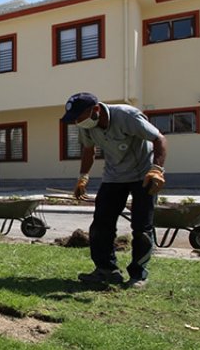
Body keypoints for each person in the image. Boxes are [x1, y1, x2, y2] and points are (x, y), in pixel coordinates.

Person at [61, 92, 168, 289]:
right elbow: (88, 150)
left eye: (79, 117)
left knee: (141, 227)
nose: (77, 122)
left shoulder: (127, 116)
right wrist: (82, 177)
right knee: (101, 224)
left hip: (143, 175)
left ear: (96, 110)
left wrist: (157, 170)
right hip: (114, 176)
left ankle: (138, 275)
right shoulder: (87, 126)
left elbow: (159, 139)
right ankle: (106, 270)